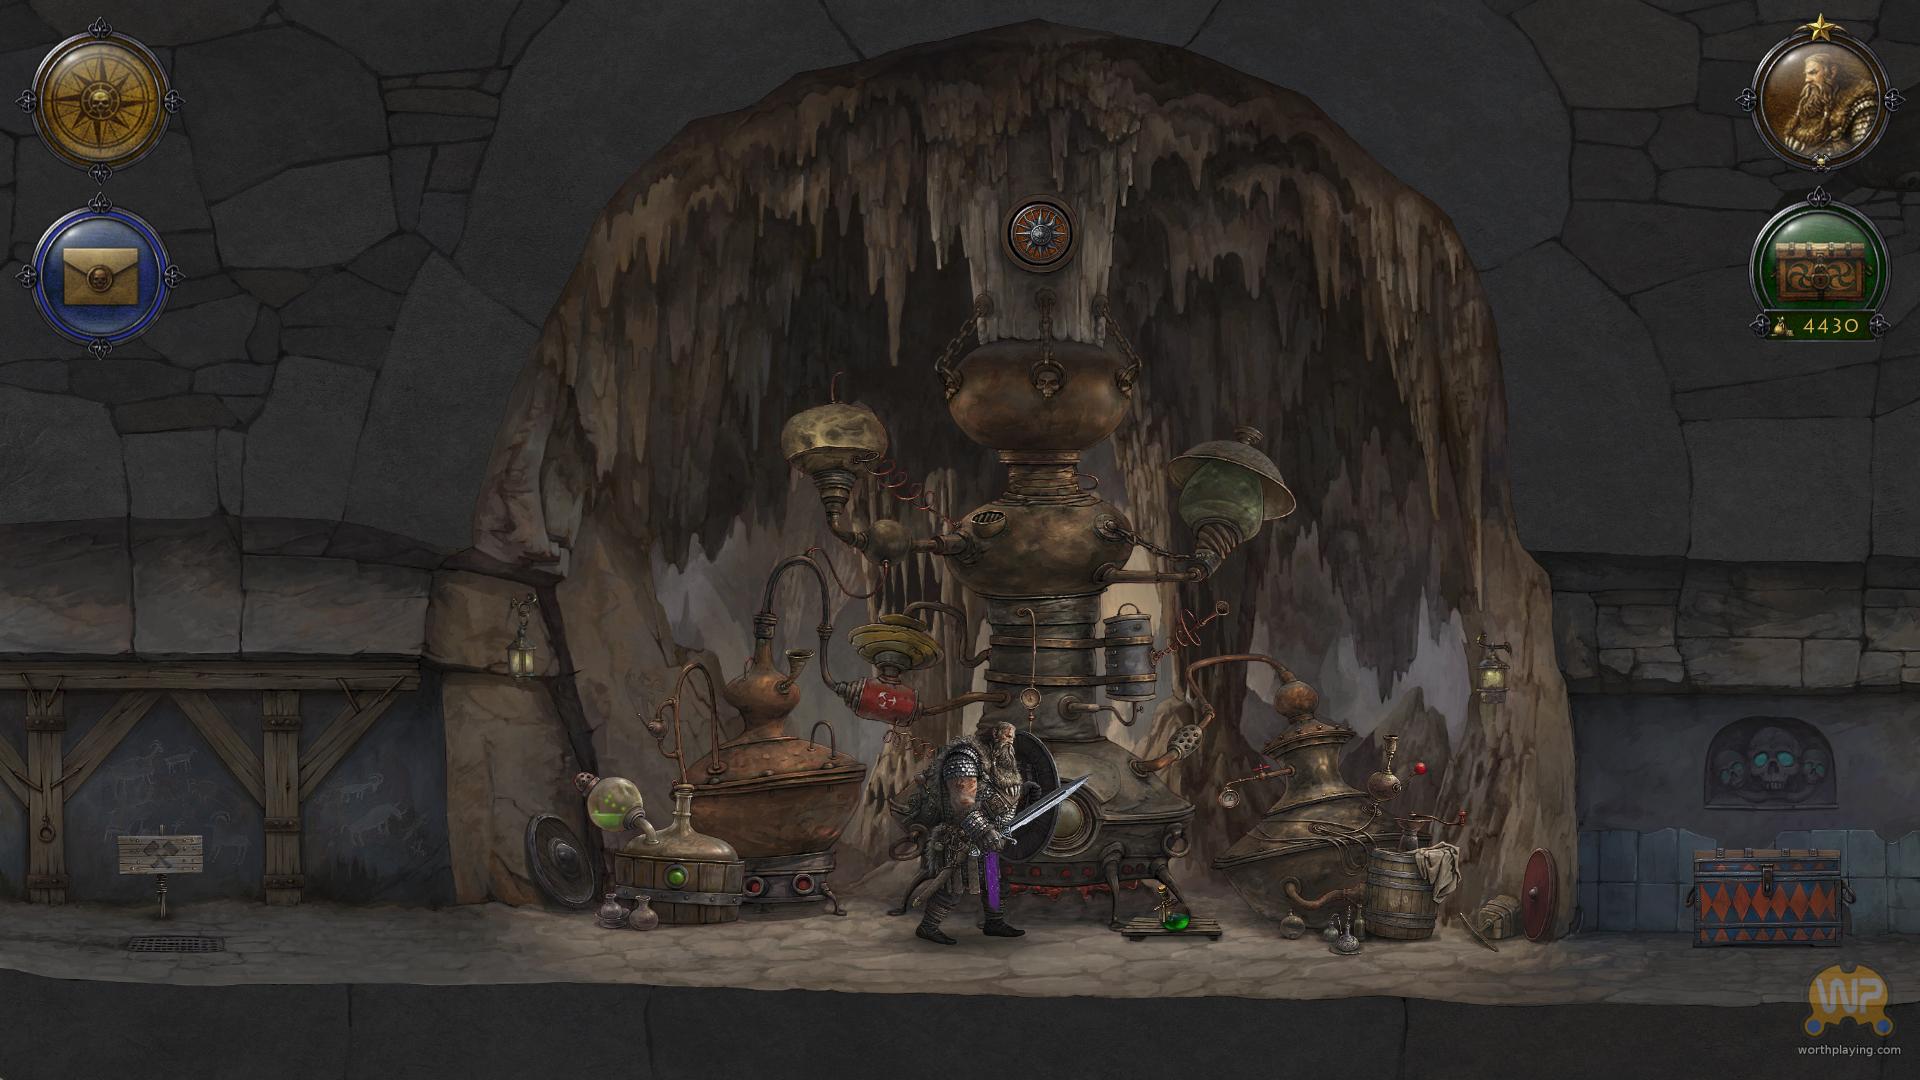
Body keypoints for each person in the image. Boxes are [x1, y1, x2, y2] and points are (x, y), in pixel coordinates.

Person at [907, 717, 1034, 944]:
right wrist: (984, 831)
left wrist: (1023, 792)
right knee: (953, 886)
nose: (1010, 742)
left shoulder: (995, 757)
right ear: (993, 734)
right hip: (961, 836)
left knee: (993, 881)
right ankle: (928, 926)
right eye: (1007, 736)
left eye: (1012, 738)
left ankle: (994, 922)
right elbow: (963, 803)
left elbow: (996, 791)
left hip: (990, 835)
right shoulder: (964, 757)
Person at [1778, 46, 1879, 160]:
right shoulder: (1811, 104)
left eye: (1813, 73)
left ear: (1832, 72)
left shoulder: (1862, 105)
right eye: (1806, 74)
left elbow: (1862, 153)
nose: (1807, 80)